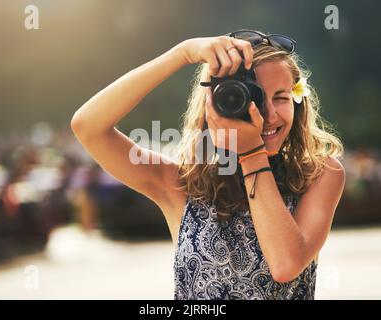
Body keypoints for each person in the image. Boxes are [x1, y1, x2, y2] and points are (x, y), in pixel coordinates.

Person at [71, 29, 346, 300]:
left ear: (298, 102)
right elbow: (88, 127)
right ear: (219, 103)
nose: (269, 115)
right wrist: (182, 53)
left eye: (282, 97)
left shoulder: (321, 175)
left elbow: (285, 265)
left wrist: (250, 153)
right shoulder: (184, 185)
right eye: (255, 98)